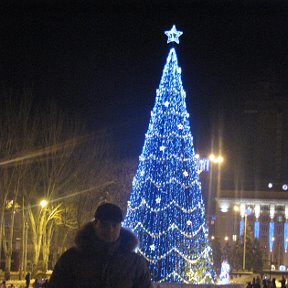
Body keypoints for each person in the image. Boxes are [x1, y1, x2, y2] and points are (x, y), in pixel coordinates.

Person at [48, 203, 153, 288]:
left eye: (114, 225)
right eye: (105, 225)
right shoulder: (72, 258)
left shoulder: (134, 262)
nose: (110, 230)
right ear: (95, 224)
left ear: (120, 227)